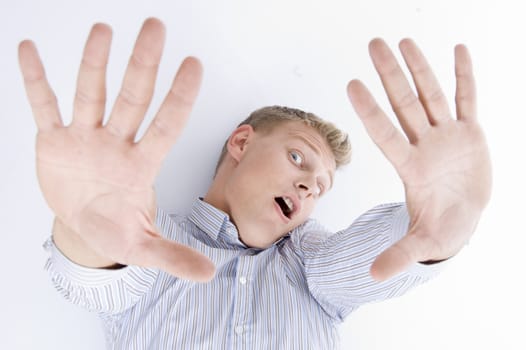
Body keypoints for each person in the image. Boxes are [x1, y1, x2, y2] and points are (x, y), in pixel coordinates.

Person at [18, 17, 492, 349]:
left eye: (321, 187)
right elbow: (99, 271)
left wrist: (436, 225)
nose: (309, 187)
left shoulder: (310, 263)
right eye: (297, 157)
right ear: (241, 143)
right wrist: (82, 221)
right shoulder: (151, 238)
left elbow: (362, 262)